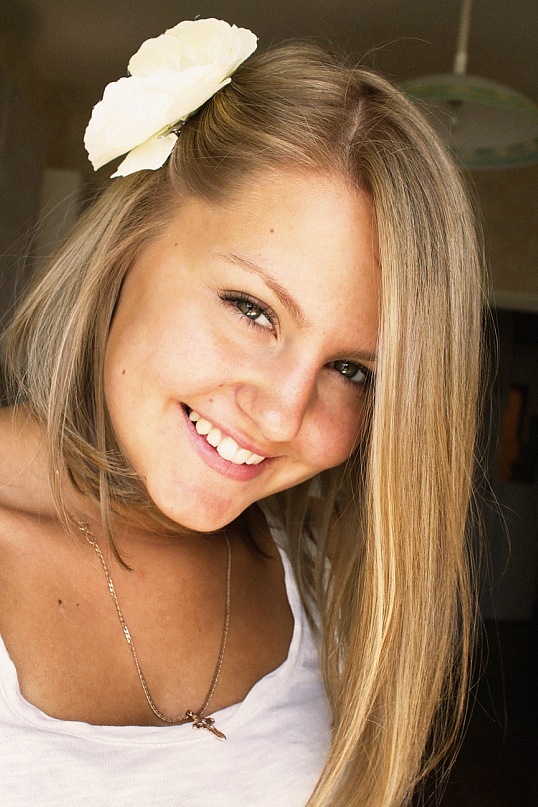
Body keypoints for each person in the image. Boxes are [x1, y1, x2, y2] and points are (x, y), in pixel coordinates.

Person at [0, 18, 484, 807]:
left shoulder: (323, 591)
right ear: (129, 242)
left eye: (353, 370)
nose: (285, 414)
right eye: (252, 309)